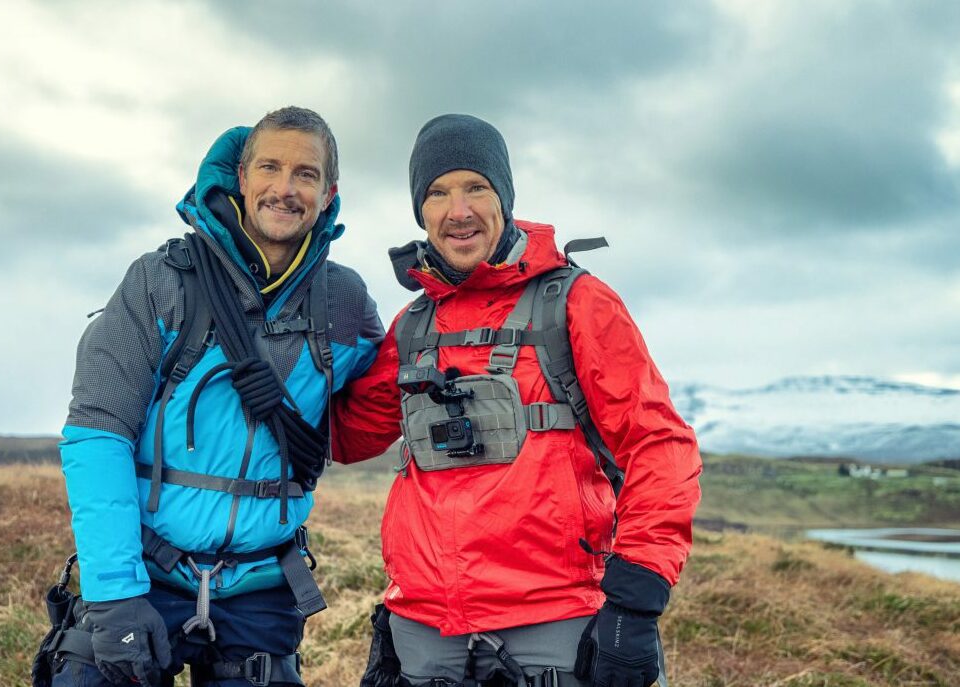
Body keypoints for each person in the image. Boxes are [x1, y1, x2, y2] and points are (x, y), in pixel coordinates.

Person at [332, 114, 702, 687]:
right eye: (437, 193)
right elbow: (349, 437)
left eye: (475, 187)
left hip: (551, 626)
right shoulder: (412, 326)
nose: (458, 210)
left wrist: (637, 594)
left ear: (503, 198)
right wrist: (299, 353)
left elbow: (659, 444)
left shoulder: (576, 303)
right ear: (420, 212)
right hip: (425, 627)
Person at [54, 106, 384, 687]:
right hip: (145, 573)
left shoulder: (344, 303)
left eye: (305, 174)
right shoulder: (161, 281)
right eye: (270, 167)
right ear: (240, 177)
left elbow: (380, 403)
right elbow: (97, 434)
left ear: (329, 193)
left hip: (262, 586)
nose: (285, 189)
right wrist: (113, 597)